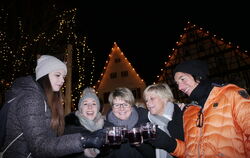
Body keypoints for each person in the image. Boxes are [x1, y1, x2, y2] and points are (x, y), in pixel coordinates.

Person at [1, 55, 106, 158]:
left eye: (63, 77)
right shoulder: (30, 99)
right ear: (44, 75)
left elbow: (52, 140)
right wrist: (83, 140)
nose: (63, 80)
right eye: (57, 75)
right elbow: (39, 147)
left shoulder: (47, 100)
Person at [151, 59, 250, 157]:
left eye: (182, 79)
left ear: (198, 75)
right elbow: (190, 152)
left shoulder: (231, 95)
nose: (180, 87)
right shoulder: (188, 112)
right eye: (177, 83)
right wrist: (168, 143)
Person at [103, 87, 156, 158]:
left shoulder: (146, 121)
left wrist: (140, 144)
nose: (121, 108)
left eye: (125, 104)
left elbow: (154, 154)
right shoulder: (106, 127)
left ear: (131, 105)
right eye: (117, 105)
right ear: (112, 107)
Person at [143, 83, 184, 158]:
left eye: (152, 98)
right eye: (146, 100)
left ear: (165, 98)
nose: (148, 103)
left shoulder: (182, 116)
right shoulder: (149, 123)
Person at [63, 87, 105, 158]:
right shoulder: (69, 128)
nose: (90, 107)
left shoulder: (106, 127)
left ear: (98, 109)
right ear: (80, 109)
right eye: (85, 104)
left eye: (94, 104)